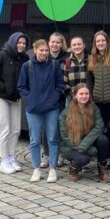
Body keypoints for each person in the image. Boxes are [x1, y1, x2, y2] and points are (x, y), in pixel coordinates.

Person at [18, 39, 65, 184]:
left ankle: (52, 168)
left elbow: (60, 85)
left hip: (51, 108)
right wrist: (31, 99)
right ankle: (36, 168)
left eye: (46, 50)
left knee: (52, 139)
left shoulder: (54, 65)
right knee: (34, 140)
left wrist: (54, 99)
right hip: (34, 109)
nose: (44, 53)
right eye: (41, 50)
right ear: (35, 50)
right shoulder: (27, 66)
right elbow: (21, 87)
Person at [0, 32, 29, 174]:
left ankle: (11, 157)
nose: (21, 45)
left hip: (15, 98)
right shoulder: (1, 56)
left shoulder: (25, 59)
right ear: (12, 42)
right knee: (4, 128)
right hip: (0, 97)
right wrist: (5, 88)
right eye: (19, 43)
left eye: (24, 43)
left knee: (15, 129)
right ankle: (4, 161)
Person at [87, 30, 110, 177]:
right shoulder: (92, 59)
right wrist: (90, 101)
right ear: (95, 44)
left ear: (107, 41)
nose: (100, 43)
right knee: (101, 133)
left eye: (103, 40)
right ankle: (105, 161)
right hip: (97, 103)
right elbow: (89, 82)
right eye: (98, 41)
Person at [59, 83, 110, 182]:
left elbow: (99, 126)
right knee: (84, 159)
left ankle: (102, 169)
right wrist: (89, 149)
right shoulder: (66, 113)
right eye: (81, 94)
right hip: (71, 145)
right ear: (75, 95)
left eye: (86, 94)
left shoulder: (93, 107)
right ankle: (73, 168)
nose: (84, 96)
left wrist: (85, 145)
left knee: (103, 140)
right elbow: (65, 137)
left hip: (87, 142)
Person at [41, 31, 70, 168]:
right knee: (45, 127)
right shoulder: (43, 57)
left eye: (58, 42)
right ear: (49, 42)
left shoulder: (67, 58)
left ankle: (59, 154)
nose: (55, 44)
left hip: (60, 98)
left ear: (62, 44)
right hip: (44, 99)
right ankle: (46, 154)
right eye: (53, 41)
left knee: (59, 126)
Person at [64, 36, 89, 105]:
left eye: (79, 44)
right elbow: (63, 83)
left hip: (88, 99)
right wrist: (73, 95)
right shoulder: (67, 62)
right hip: (71, 100)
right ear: (71, 47)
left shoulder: (90, 60)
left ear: (84, 45)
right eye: (74, 45)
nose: (77, 47)